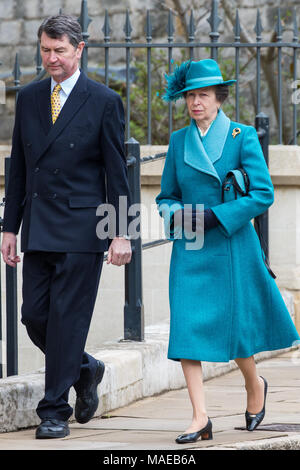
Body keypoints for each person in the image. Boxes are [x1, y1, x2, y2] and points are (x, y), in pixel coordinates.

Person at [1, 15, 132, 439]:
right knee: (34, 314)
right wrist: (9, 227)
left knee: (66, 320)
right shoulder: (30, 97)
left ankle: (54, 410)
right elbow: (18, 167)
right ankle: (86, 368)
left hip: (84, 226)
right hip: (39, 225)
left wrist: (121, 231)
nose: (51, 58)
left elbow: (118, 173)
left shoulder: (104, 101)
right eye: (45, 50)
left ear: (79, 50)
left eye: (59, 50)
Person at [156, 58, 300, 444]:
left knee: (236, 331)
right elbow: (166, 195)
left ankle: (255, 385)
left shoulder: (242, 136)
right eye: (190, 96)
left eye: (203, 95)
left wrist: (217, 216)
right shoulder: (177, 142)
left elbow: (263, 193)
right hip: (191, 246)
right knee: (186, 327)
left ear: (219, 98)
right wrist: (179, 214)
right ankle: (200, 417)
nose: (195, 102)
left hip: (232, 244)